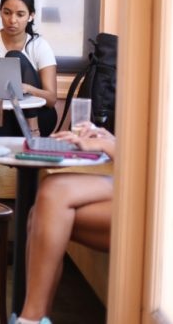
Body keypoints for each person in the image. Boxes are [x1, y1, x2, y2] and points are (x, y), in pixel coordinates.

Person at [11, 124, 114, 324]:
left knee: (51, 197)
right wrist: (109, 140)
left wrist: (105, 145)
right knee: (45, 204)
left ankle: (30, 318)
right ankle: (36, 318)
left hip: (161, 192)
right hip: (142, 178)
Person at [0, 0, 58, 135]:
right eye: (7, 13)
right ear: (0, 12)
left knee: (14, 57)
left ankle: (32, 128)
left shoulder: (40, 46)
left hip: (39, 119)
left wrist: (27, 89)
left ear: (31, 16)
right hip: (2, 113)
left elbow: (51, 99)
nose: (12, 20)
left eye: (20, 14)